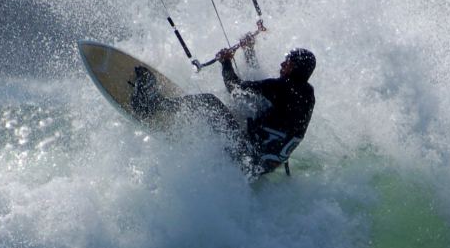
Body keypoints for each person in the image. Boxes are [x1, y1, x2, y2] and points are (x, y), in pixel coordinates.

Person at [129, 41, 316, 178]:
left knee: (210, 102)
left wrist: (226, 62)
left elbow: (235, 87)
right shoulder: (307, 95)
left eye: (288, 62)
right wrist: (249, 51)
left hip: (245, 160)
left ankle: (152, 105)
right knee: (246, 109)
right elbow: (262, 91)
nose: (282, 65)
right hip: (263, 167)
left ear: (295, 68)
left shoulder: (281, 88)